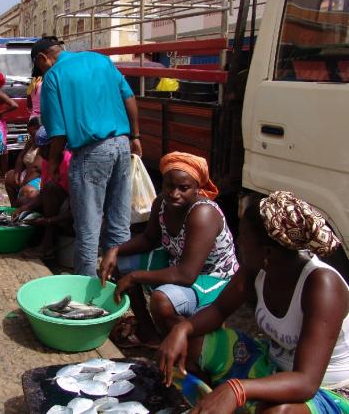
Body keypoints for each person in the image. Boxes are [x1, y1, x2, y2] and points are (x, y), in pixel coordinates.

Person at [157, 191, 349, 413]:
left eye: (243, 237)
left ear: (267, 251)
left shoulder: (322, 285)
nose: (238, 241)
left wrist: (237, 388)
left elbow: (306, 381)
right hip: (273, 365)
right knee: (192, 342)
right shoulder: (257, 268)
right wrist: (182, 329)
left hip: (327, 388)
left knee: (277, 411)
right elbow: (219, 310)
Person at [100, 151, 239, 348]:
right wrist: (114, 251)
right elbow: (149, 238)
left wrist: (134, 277)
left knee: (161, 300)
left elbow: (186, 275)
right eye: (169, 186)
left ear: (197, 189)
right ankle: (149, 333)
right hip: (178, 263)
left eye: (184, 188)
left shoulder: (203, 214)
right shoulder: (161, 203)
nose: (175, 194)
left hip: (213, 277)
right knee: (120, 263)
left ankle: (186, 350)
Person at [33, 36, 142, 277]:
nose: (42, 72)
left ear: (43, 58)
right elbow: (129, 97)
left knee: (88, 227)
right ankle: (122, 285)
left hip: (90, 151)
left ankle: (86, 290)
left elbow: (58, 130)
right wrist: (135, 136)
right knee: (119, 221)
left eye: (39, 67)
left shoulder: (53, 76)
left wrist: (52, 162)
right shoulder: (101, 60)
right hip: (121, 145)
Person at [13, 126, 73, 259]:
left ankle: (48, 245)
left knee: (51, 188)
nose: (42, 152)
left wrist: (49, 221)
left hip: (73, 212)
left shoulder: (70, 162)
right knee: (23, 200)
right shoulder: (47, 162)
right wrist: (24, 207)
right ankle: (38, 238)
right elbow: (43, 194)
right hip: (57, 205)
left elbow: (78, 207)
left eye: (46, 148)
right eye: (40, 148)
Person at [4, 116, 42, 207]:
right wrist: (17, 173)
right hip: (27, 174)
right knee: (10, 176)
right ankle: (14, 207)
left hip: (39, 177)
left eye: (33, 134)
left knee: (26, 190)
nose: (31, 137)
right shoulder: (30, 142)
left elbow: (35, 169)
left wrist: (23, 184)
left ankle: (22, 209)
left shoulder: (44, 143)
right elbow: (21, 157)